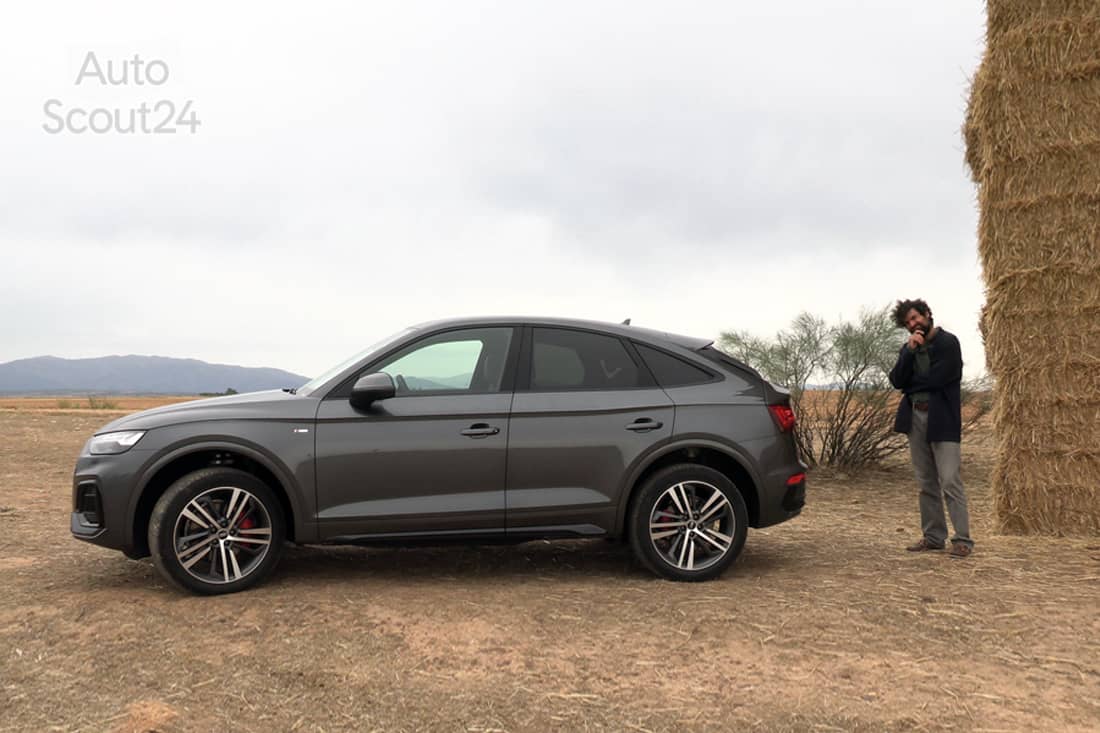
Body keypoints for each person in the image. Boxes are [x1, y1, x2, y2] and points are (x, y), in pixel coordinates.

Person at [888, 299, 973, 558]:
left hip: (942, 419)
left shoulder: (948, 343)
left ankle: (962, 540)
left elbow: (938, 379)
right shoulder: (909, 349)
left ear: (927, 314)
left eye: (916, 318)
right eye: (908, 322)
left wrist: (911, 385)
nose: (914, 324)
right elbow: (896, 380)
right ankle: (934, 537)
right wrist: (909, 352)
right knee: (926, 482)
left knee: (949, 480)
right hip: (915, 418)